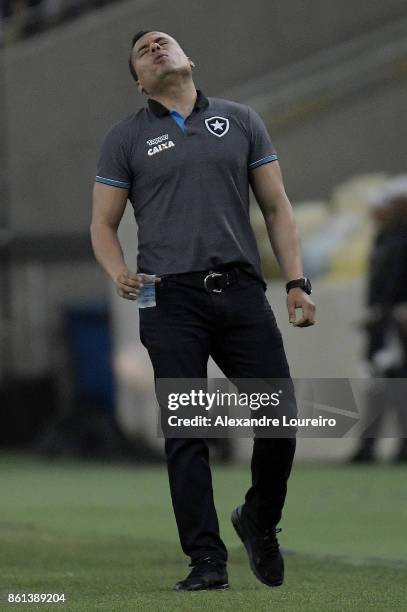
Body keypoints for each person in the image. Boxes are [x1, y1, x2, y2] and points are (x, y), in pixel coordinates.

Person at [90, 30, 316, 591]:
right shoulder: (125, 138)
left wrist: (295, 281)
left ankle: (259, 518)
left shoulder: (241, 120)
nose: (157, 49)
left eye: (165, 43)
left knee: (279, 417)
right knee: (187, 429)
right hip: (163, 295)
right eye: (144, 52)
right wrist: (118, 271)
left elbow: (276, 204)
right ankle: (206, 561)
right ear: (139, 82)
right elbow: (102, 224)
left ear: (189, 59)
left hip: (240, 288)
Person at [350, 176, 407, 463]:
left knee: (396, 384)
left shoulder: (399, 239)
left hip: (397, 325)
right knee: (379, 384)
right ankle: (368, 447)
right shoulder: (384, 238)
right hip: (382, 324)